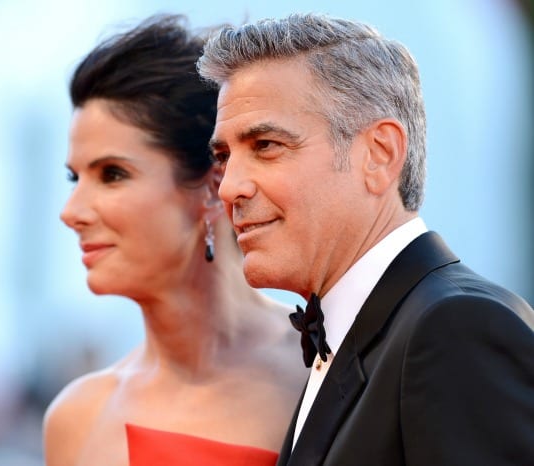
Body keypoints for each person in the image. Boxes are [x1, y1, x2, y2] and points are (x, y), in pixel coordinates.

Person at [197, 12, 534, 466]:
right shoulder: (371, 330)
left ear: (379, 155)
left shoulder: (456, 327)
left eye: (266, 145)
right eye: (224, 155)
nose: (228, 187)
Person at [43, 14, 307, 466]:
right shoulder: (76, 419)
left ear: (211, 186)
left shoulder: (327, 369)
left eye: (112, 174)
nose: (71, 212)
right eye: (73, 177)